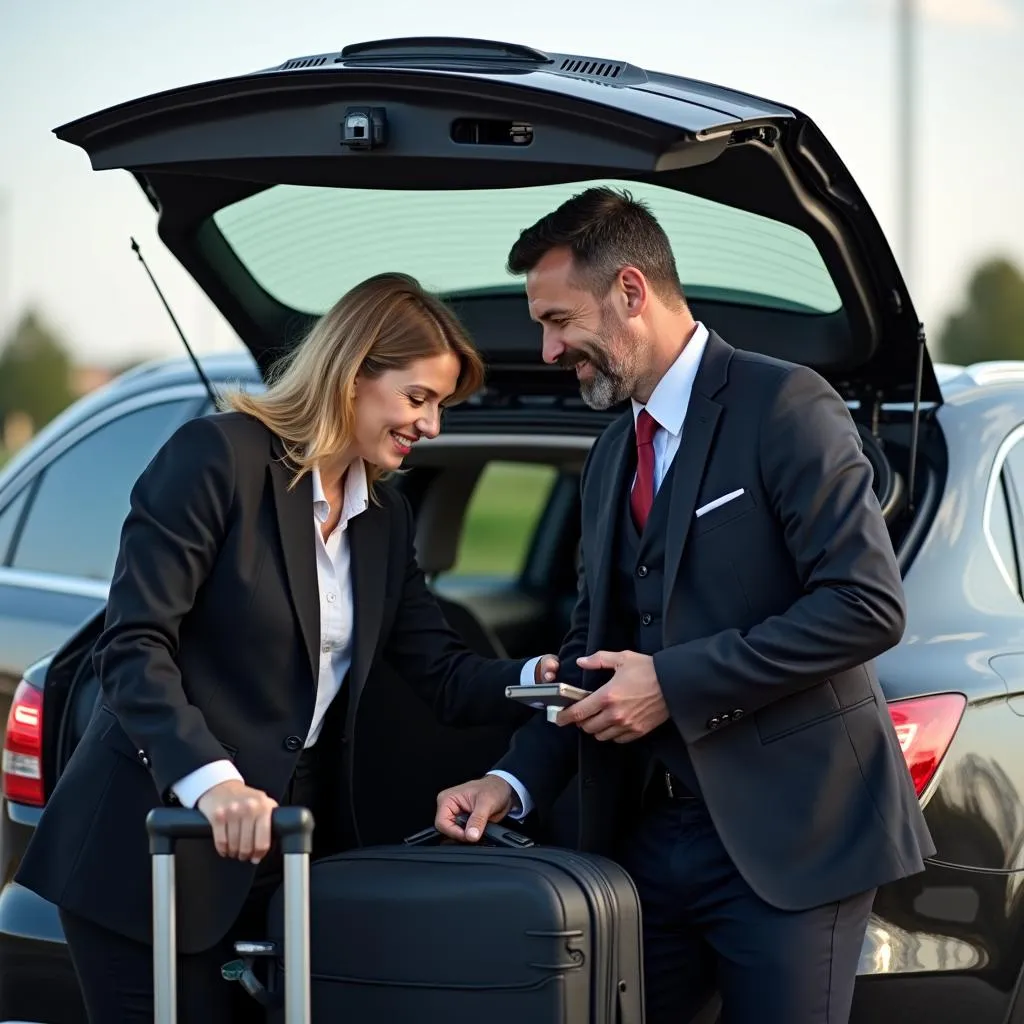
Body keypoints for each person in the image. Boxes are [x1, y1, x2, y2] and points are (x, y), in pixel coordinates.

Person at [433, 188, 935, 1024]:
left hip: (793, 843)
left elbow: (865, 605)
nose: (549, 349)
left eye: (560, 320)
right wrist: (511, 780)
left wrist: (672, 680)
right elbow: (588, 649)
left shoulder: (786, 405)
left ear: (631, 290)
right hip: (645, 847)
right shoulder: (604, 458)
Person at [15, 272, 559, 1023]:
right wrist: (214, 784)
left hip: (293, 860)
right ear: (352, 374)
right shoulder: (215, 459)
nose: (433, 426)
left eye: (440, 406)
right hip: (151, 857)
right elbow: (135, 647)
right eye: (419, 398)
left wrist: (540, 676)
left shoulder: (384, 518)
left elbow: (438, 670)